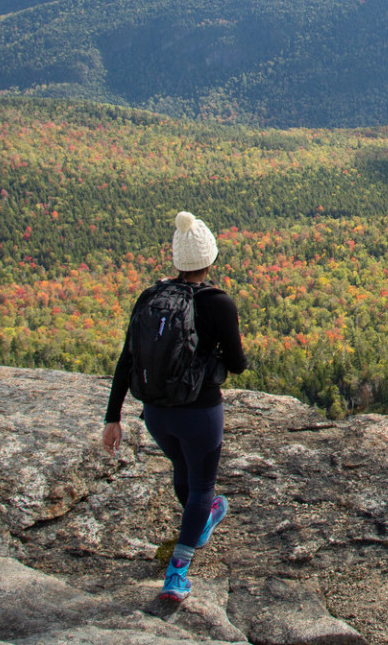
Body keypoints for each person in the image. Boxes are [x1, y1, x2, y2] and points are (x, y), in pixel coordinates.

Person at [101, 211, 248, 603]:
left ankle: (201, 519)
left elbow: (127, 359)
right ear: (211, 258)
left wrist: (113, 418)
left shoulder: (151, 298)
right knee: (203, 486)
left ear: (177, 260)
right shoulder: (220, 303)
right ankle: (177, 572)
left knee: (184, 470)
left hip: (156, 414)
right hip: (200, 413)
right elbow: (237, 364)